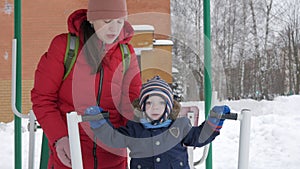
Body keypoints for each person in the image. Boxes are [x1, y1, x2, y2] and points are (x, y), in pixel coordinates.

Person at [31, 0, 142, 168]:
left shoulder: (126, 53)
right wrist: (60, 138)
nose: (114, 28)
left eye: (120, 21)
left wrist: (150, 128)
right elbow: (43, 99)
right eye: (107, 21)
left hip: (113, 158)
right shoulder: (65, 47)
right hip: (70, 155)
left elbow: (131, 104)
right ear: (92, 19)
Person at [85, 76, 231, 169]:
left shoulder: (180, 126)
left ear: (168, 106)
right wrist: (100, 123)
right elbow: (114, 139)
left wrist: (213, 121)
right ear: (142, 106)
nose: (155, 107)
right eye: (149, 103)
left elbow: (198, 137)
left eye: (161, 103)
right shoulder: (135, 129)